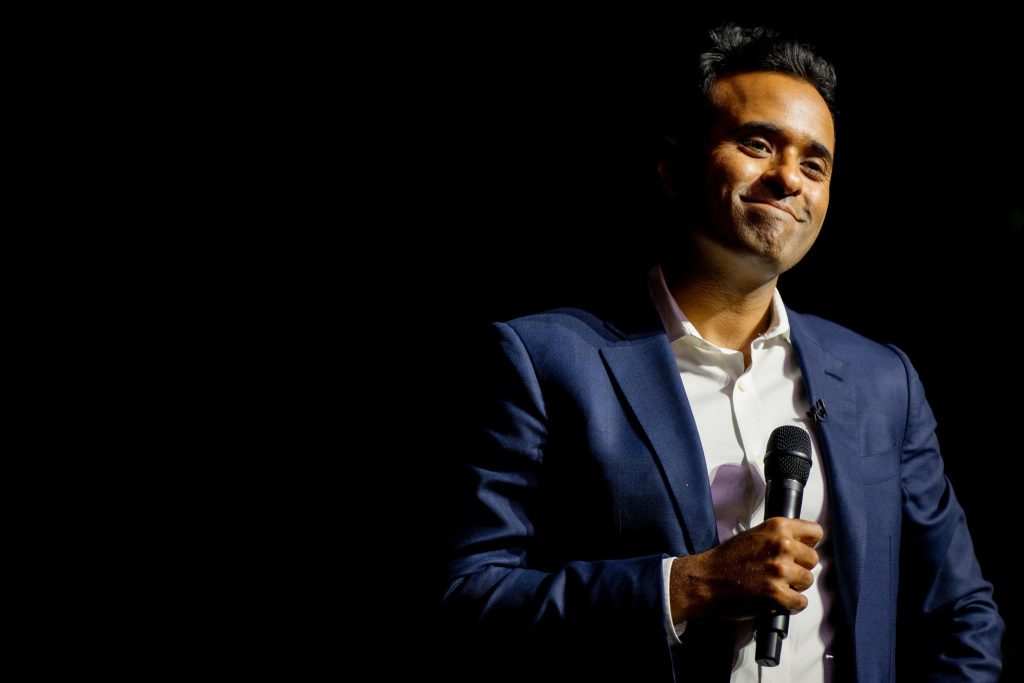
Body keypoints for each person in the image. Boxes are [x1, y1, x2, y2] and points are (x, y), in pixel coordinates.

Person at [439, 24, 1003, 682]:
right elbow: (464, 598)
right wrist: (683, 587)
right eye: (758, 144)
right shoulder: (544, 361)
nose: (788, 177)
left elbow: (963, 610)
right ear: (673, 166)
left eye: (813, 164)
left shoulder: (882, 380)